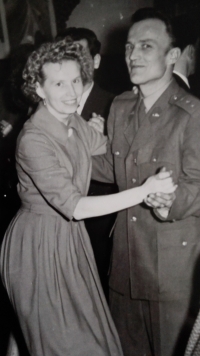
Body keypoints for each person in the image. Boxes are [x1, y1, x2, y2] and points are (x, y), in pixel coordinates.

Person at [0, 39, 175, 356]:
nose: (70, 92)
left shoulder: (72, 122)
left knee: (78, 336)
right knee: (63, 343)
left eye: (75, 81)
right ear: (39, 90)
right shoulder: (33, 139)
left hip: (69, 242)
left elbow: (113, 148)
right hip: (38, 246)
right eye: (58, 83)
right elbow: (77, 207)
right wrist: (144, 190)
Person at [91, 7, 200, 356]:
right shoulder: (121, 106)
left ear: (172, 56)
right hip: (125, 267)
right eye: (128, 47)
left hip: (171, 274)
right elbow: (112, 167)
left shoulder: (192, 114)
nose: (133, 55)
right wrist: (64, 154)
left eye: (146, 46)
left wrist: (172, 201)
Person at [56, 27, 117, 298]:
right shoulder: (50, 103)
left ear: (96, 61)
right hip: (57, 219)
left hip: (97, 224)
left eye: (80, 55)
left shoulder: (116, 105)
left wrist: (103, 140)